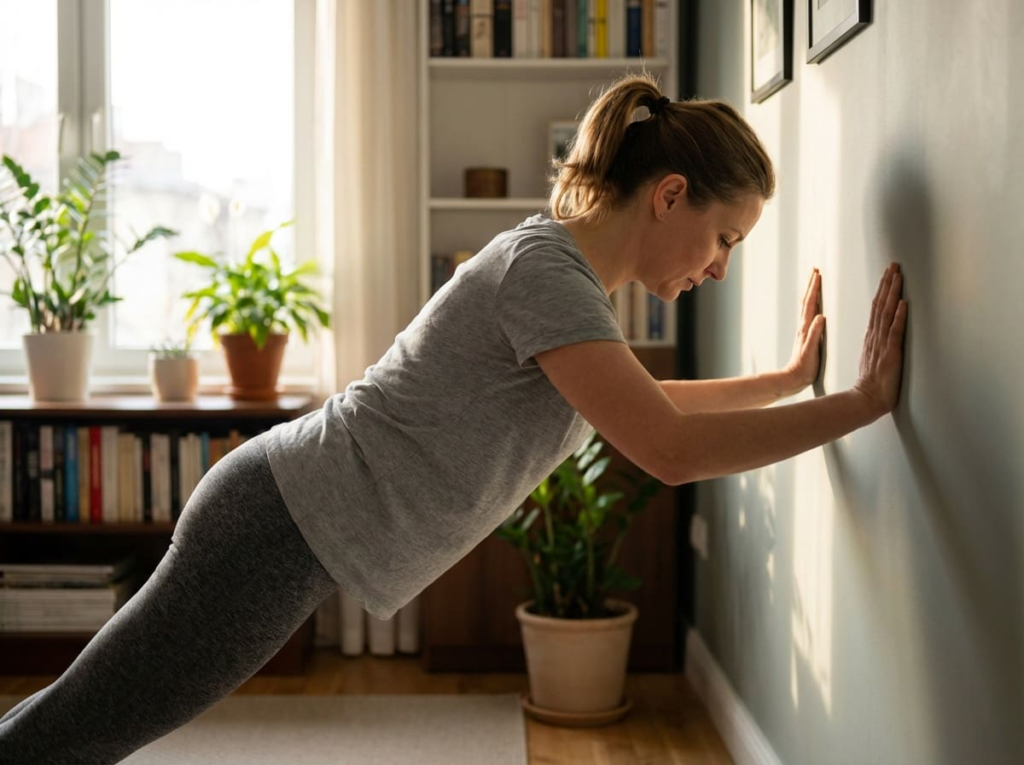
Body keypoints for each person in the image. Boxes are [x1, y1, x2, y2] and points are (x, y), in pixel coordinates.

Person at [0, 72, 907, 763]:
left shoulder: (569, 284)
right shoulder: (547, 275)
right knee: (80, 728)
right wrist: (858, 404)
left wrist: (787, 380)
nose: (719, 268)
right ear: (670, 194)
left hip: (289, 522)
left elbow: (652, 408)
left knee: (87, 724)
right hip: (276, 524)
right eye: (725, 240)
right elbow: (667, 450)